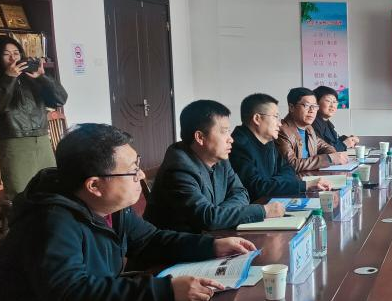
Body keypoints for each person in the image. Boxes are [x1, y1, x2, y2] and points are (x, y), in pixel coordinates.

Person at [0, 124, 256, 301]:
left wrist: (212, 246)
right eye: (132, 171)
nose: (141, 176)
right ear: (94, 185)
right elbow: (69, 294)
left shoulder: (111, 207)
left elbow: (150, 240)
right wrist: (165, 290)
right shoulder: (51, 221)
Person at [144, 100, 286, 232]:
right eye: (224, 132)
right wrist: (263, 211)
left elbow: (241, 193)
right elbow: (207, 219)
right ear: (200, 137)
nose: (231, 139)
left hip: (213, 236)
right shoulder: (179, 168)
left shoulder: (219, 158)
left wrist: (219, 213)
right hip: (179, 247)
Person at [0, 35, 68, 196]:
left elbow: (60, 99)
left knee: (51, 188)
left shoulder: (32, 77)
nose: (13, 58)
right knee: (21, 193)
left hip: (42, 139)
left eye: (16, 53)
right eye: (6, 54)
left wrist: (42, 77)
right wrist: (9, 78)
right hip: (15, 143)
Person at [229, 93, 331, 200]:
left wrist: (272, 183)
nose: (279, 123)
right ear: (257, 118)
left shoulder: (268, 141)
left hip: (273, 200)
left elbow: (288, 169)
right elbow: (258, 188)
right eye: (275, 117)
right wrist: (305, 185)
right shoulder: (238, 146)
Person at [276, 87, 348, 172]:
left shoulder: (308, 128)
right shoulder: (282, 131)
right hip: (296, 179)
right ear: (292, 107)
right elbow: (291, 165)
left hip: (311, 176)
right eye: (307, 106)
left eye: (314, 106)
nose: (312, 110)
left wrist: (334, 155)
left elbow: (324, 146)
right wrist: (329, 158)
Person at [312, 85, 359, 152]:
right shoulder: (313, 123)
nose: (332, 105)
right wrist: (344, 144)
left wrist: (348, 139)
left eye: (334, 102)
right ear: (316, 103)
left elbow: (333, 142)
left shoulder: (326, 122)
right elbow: (323, 151)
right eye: (328, 101)